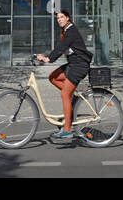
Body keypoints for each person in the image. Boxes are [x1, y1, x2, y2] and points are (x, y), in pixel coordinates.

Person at [35, 10, 91, 139]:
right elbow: (61, 47)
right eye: (57, 18)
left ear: (68, 18)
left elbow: (61, 47)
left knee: (65, 93)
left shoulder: (71, 31)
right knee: (53, 77)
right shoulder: (65, 31)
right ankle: (74, 100)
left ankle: (67, 130)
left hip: (79, 66)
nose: (59, 20)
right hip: (72, 65)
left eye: (61, 17)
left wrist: (48, 59)